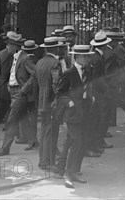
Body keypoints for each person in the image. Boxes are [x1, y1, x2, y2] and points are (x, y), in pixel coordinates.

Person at [54, 44, 95, 188]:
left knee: (76, 142)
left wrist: (90, 96)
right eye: (85, 56)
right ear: (77, 57)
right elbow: (59, 93)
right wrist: (70, 102)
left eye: (88, 56)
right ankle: (68, 173)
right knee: (77, 141)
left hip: (85, 111)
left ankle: (70, 170)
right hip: (72, 113)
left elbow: (87, 87)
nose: (87, 59)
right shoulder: (69, 73)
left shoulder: (88, 71)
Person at [0, 38, 37, 156]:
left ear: (15, 46)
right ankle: (34, 141)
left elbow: (35, 74)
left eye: (9, 45)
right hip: (13, 91)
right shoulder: (15, 57)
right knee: (23, 118)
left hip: (19, 92)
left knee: (11, 120)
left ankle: (5, 148)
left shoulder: (25, 58)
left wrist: (24, 89)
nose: (7, 47)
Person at [36, 36, 64, 170]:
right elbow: (56, 84)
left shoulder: (39, 62)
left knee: (44, 131)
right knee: (50, 132)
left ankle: (43, 160)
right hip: (51, 101)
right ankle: (48, 162)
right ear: (56, 48)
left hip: (41, 100)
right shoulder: (55, 63)